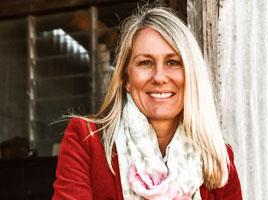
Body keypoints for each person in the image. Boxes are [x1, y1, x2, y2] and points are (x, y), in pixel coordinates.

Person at [52, 6, 242, 200]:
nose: (159, 77)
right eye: (145, 63)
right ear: (126, 78)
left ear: (191, 75)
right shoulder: (87, 140)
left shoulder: (218, 158)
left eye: (173, 62)